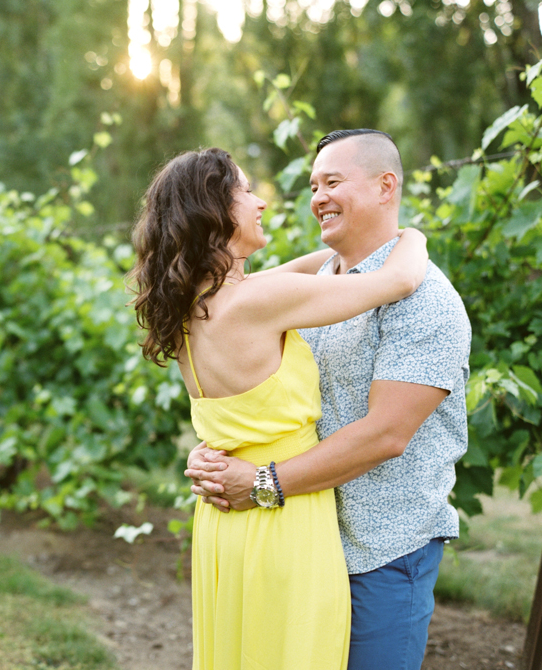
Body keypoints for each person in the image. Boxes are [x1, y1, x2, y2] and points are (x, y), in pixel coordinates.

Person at [127, 146, 429, 670]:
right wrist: (411, 235)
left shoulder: (193, 308)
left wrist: (344, 244)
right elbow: (398, 280)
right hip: (281, 513)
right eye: (245, 191)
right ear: (214, 212)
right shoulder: (259, 302)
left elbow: (318, 266)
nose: (261, 202)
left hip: (223, 520)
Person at [184, 130, 471, 670]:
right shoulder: (314, 284)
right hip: (301, 538)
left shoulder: (425, 302)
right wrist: (218, 449)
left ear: (386, 187)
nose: (317, 197)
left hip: (379, 552)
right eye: (315, 185)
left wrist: (263, 482)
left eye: (333, 182)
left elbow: (387, 434)